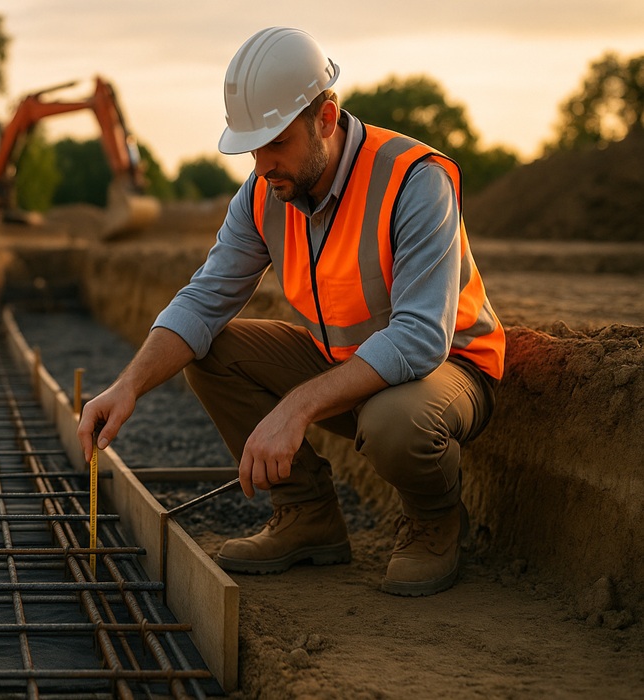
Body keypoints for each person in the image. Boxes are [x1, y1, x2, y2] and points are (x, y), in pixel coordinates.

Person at [76, 27, 505, 597]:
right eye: (252, 147)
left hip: (445, 371)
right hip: (346, 363)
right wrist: (127, 386)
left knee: (393, 423)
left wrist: (297, 407)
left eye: (275, 143)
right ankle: (308, 517)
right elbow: (204, 300)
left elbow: (421, 338)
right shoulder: (263, 192)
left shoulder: (413, 180)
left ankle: (434, 518)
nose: (262, 163)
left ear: (326, 117)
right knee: (211, 351)